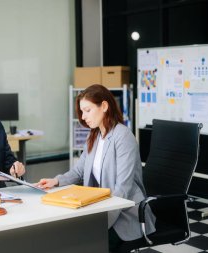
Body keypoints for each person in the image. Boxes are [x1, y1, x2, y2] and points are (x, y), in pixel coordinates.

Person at [36, 84, 156, 252]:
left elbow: (123, 189)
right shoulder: (94, 136)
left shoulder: (122, 136)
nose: (83, 117)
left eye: (87, 110)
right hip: (103, 207)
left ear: (104, 106)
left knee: (87, 242)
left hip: (125, 213)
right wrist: (56, 181)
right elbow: (79, 171)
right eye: (82, 111)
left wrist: (100, 221)